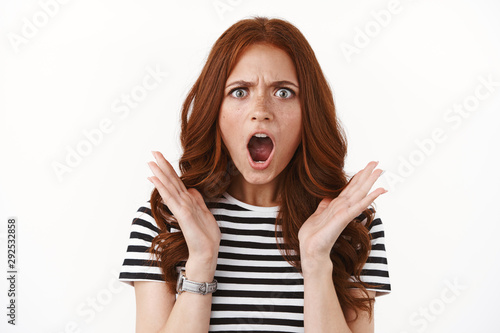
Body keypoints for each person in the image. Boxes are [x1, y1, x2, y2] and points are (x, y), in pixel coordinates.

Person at [119, 16, 391, 333]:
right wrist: (202, 260)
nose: (260, 109)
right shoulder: (162, 222)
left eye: (284, 92)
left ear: (309, 114)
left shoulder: (352, 229)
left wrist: (316, 261)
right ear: (214, 110)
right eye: (239, 91)